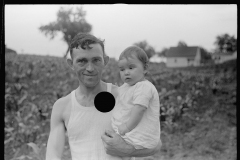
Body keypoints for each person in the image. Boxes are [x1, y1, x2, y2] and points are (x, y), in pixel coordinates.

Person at [45, 32, 161, 160]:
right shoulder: (62, 106)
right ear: (71, 63)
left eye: (96, 60)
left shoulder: (122, 96)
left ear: (105, 61)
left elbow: (156, 144)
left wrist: (127, 150)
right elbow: (53, 154)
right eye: (82, 61)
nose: (90, 68)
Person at [111, 46, 161, 160]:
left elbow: (139, 109)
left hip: (139, 137)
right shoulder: (127, 86)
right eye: (122, 69)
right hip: (130, 136)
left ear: (145, 68)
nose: (126, 72)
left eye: (131, 67)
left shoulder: (144, 87)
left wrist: (127, 127)